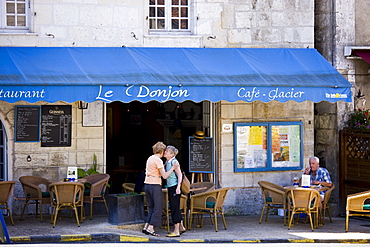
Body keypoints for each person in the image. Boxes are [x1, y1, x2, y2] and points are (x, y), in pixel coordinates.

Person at [142, 142, 178, 237]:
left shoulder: (150, 158)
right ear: (161, 151)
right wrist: (172, 168)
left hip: (147, 184)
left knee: (151, 207)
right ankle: (151, 228)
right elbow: (165, 176)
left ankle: (146, 226)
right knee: (158, 207)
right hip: (155, 184)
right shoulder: (158, 160)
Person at [163, 145, 186, 237]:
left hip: (174, 186)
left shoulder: (174, 162)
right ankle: (181, 227)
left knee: (174, 208)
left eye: (167, 151)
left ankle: (176, 231)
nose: (165, 152)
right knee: (174, 207)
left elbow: (180, 175)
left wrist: (178, 187)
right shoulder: (167, 162)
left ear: (172, 154)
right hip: (170, 186)